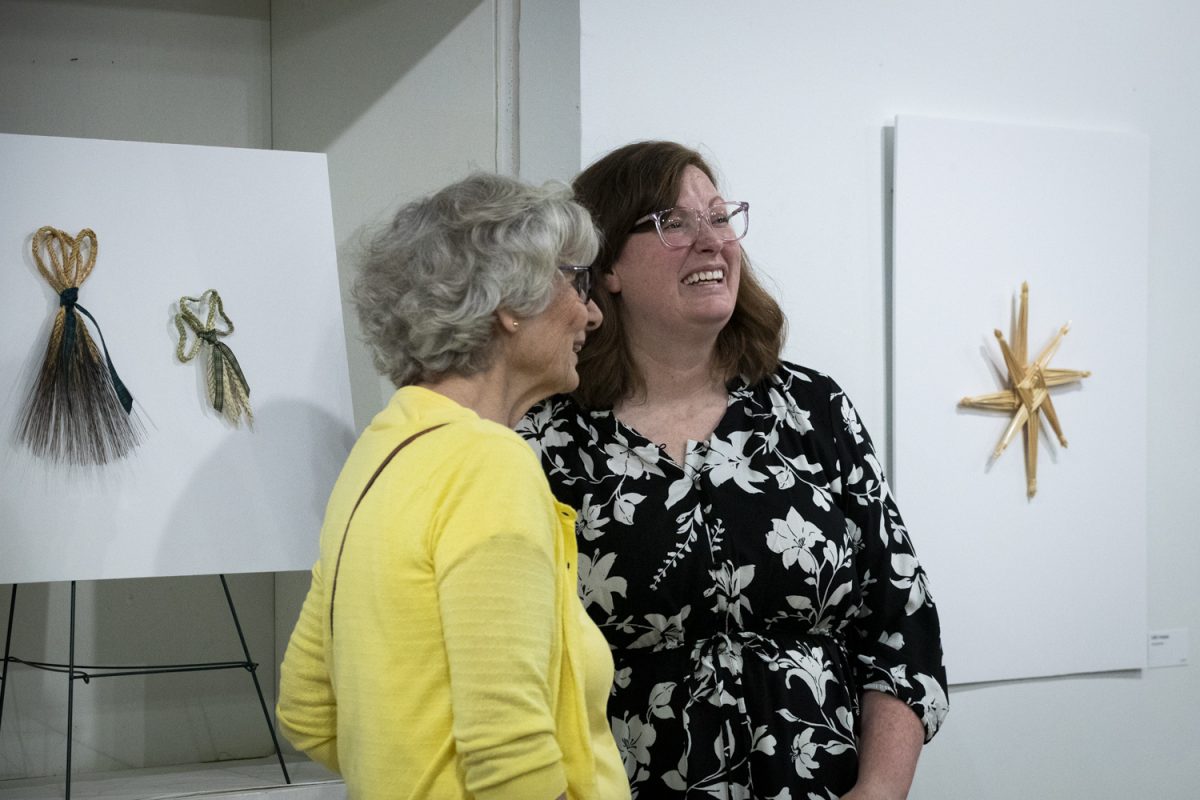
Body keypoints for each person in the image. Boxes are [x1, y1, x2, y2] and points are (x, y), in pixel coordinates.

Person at [518, 142, 948, 799]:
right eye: (673, 222)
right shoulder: (547, 438)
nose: (709, 241)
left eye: (719, 218)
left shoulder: (813, 412)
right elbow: (514, 666)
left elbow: (902, 624)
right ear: (606, 268)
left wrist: (880, 792)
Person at [276, 173, 630, 800]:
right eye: (576, 281)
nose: (593, 311)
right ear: (509, 303)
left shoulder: (384, 450)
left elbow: (307, 709)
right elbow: (510, 755)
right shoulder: (486, 464)